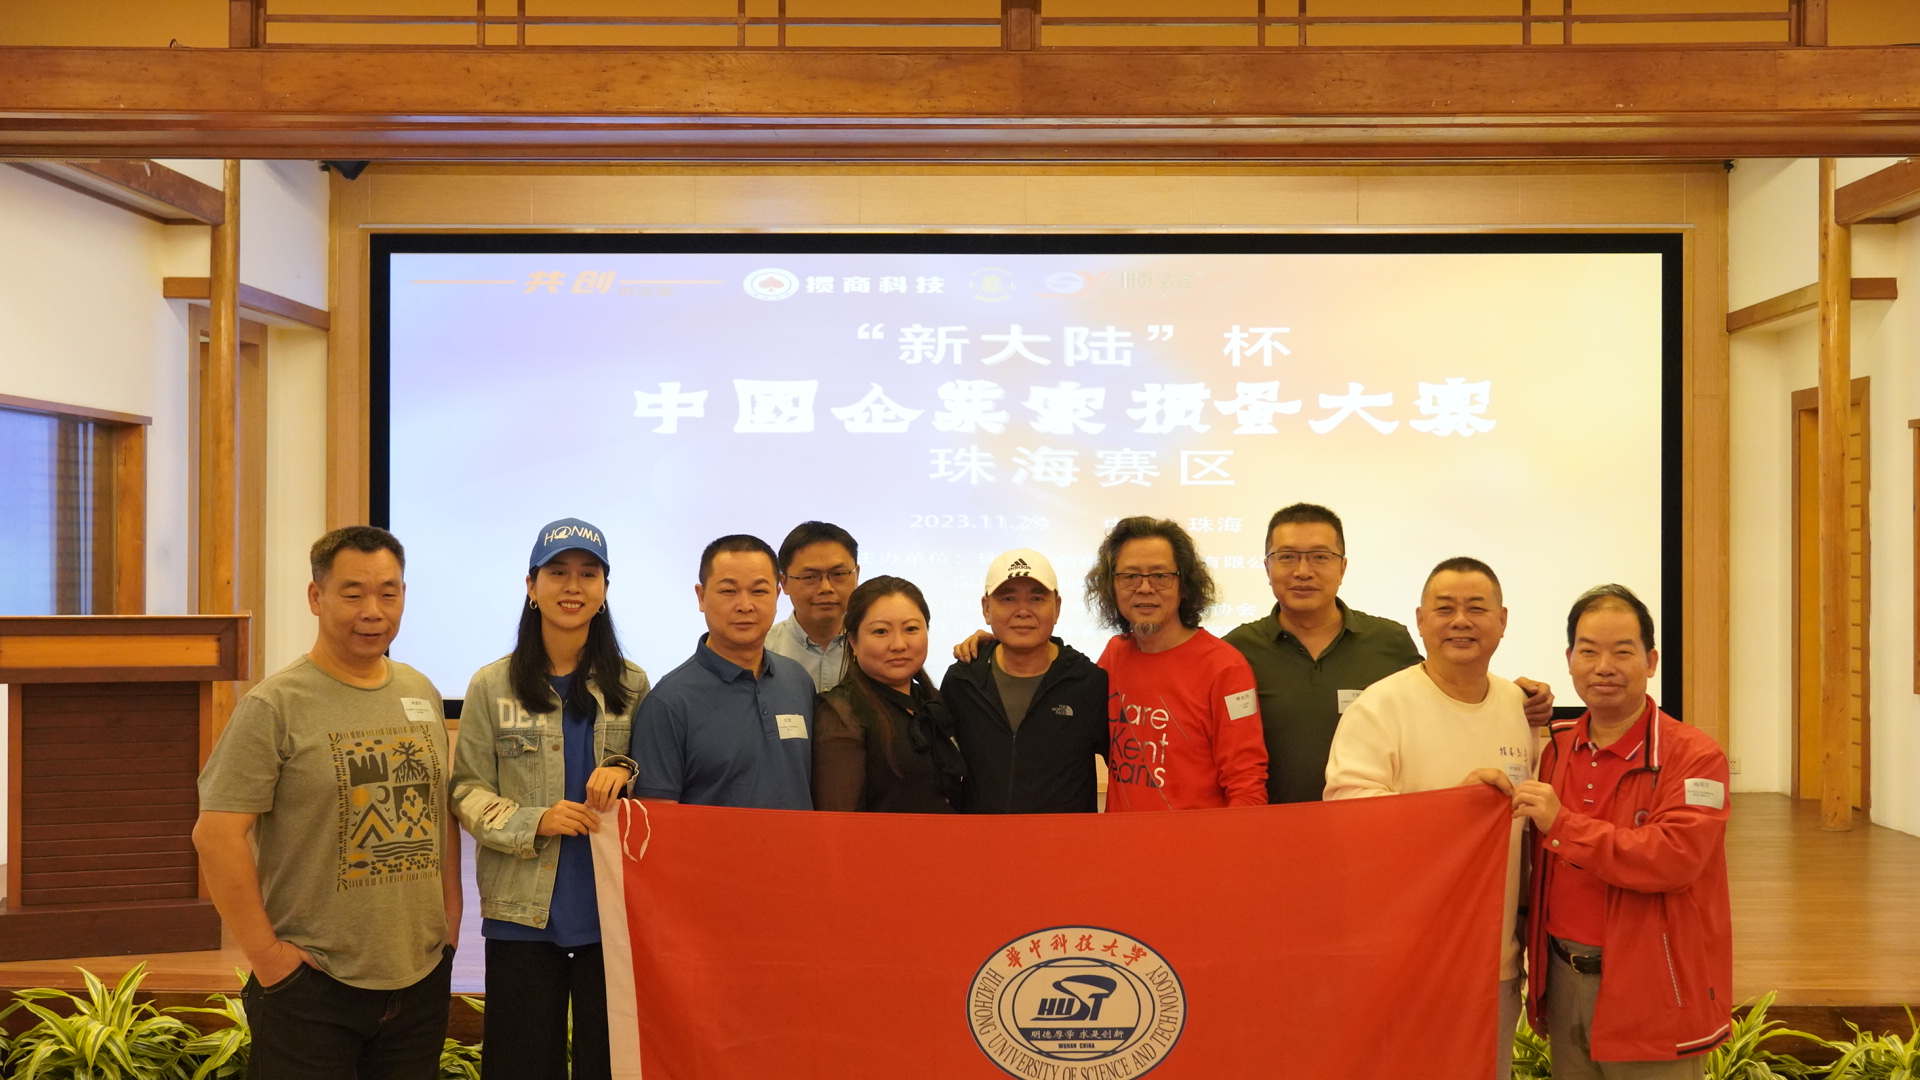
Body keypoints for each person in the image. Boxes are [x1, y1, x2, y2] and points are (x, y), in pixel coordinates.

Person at [193, 526, 458, 1080]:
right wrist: (270, 960)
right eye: (353, 593)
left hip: (419, 979)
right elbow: (216, 836)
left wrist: (449, 924)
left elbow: (440, 815)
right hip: (312, 987)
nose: (372, 611)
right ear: (316, 597)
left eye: (388, 593)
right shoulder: (275, 705)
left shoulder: (420, 691)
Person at [1323, 556, 1538, 1080]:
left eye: (1476, 608)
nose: (1460, 621)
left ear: (1503, 621)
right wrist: (1452, 810)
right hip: (1404, 960)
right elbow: (1346, 818)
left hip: (1495, 961)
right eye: (1445, 609)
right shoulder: (1382, 706)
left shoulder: (1519, 706)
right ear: (1420, 620)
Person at [450, 518, 649, 1080]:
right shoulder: (491, 685)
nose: (572, 586)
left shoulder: (633, 684)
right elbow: (465, 790)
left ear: (604, 589)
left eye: (588, 574)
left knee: (607, 1065)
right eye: (558, 572)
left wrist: (625, 769)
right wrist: (535, 820)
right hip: (521, 913)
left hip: (611, 914)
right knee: (520, 1065)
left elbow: (655, 781)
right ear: (531, 585)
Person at [1519, 585, 1732, 1078]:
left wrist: (1563, 824)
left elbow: (1674, 859)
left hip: (1653, 985)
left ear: (1651, 661)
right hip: (1563, 977)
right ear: (1569, 660)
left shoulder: (1695, 756)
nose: (1603, 667)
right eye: (1588, 652)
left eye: (1622, 652)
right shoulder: (1556, 749)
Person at [1224, 502, 1555, 804]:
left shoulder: (1388, 640)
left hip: (1371, 828)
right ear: (1266, 567)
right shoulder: (1236, 651)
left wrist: (1512, 698)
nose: (1303, 571)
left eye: (1320, 557)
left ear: (1342, 567)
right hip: (1274, 826)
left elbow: (1444, 691)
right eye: (1287, 557)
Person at [1090, 517, 1268, 811]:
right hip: (1122, 839)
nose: (1144, 588)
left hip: (1199, 840)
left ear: (1184, 585)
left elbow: (1246, 784)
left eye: (1160, 575)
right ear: (1112, 586)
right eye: (1130, 576)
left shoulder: (1225, 668)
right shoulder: (1114, 655)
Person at [631, 534, 814, 809]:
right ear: (702, 597)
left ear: (777, 596)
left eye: (759, 591)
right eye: (729, 591)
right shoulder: (668, 701)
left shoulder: (797, 680)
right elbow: (656, 819)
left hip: (799, 839)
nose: (745, 605)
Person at [942, 549, 1108, 814]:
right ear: (986, 608)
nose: (1022, 611)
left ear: (1057, 608)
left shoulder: (1088, 683)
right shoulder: (962, 682)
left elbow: (1124, 771)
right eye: (1008, 599)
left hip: (1065, 840)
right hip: (979, 838)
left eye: (1036, 598)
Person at [812, 576, 964, 812]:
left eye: (911, 629)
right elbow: (838, 820)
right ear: (853, 641)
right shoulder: (841, 713)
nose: (899, 644)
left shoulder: (932, 700)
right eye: (881, 631)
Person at [766, 521, 859, 693]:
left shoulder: (875, 647)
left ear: (856, 575)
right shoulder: (763, 651)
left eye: (838, 574)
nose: (826, 588)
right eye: (810, 577)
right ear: (784, 582)